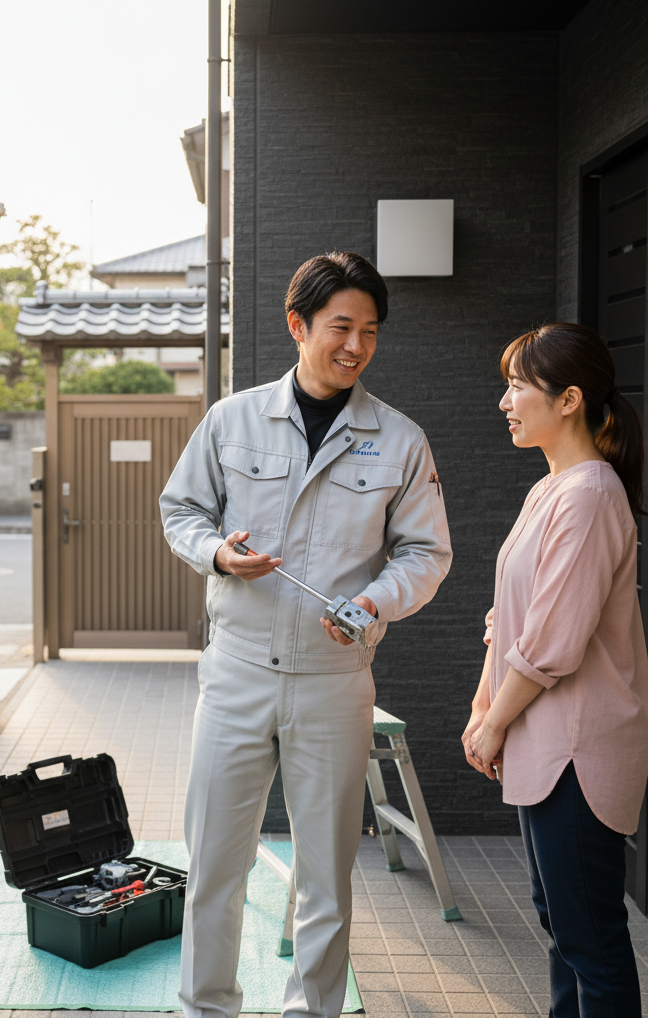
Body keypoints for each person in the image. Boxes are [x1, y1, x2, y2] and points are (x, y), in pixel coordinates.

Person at [160, 251, 452, 1018]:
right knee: (215, 867)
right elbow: (180, 511)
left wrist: (376, 600)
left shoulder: (400, 439)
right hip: (236, 675)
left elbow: (428, 552)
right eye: (340, 327)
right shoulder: (231, 419)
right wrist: (219, 554)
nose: (356, 345)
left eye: (370, 331)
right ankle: (206, 1008)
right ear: (299, 326)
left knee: (326, 873)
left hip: (335, 680)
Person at [464, 322, 648, 1017]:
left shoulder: (590, 493)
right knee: (562, 928)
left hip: (580, 749)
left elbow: (553, 644)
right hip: (543, 743)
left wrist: (493, 724)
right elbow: (507, 622)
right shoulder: (551, 489)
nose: (506, 401)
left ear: (569, 399)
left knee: (588, 939)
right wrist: (484, 711)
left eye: (517, 386)